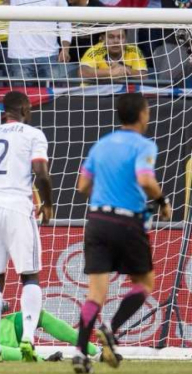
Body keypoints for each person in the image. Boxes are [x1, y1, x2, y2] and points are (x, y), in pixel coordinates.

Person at [72, 93, 172, 373]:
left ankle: (80, 353)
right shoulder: (143, 144)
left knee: (95, 295)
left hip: (97, 220)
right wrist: (162, 201)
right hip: (128, 223)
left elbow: (82, 186)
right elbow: (144, 178)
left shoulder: (100, 145)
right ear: (142, 114)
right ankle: (111, 329)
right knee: (144, 283)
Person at [0, 91, 54, 362]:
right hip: (17, 208)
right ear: (22, 107)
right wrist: (48, 203)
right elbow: (41, 173)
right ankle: (28, 338)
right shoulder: (33, 134)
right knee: (30, 276)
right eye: (29, 106)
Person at [7, 0, 72, 84]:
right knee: (21, 95)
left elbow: (65, 23)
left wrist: (65, 49)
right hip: (20, 55)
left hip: (49, 55)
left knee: (53, 94)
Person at [79, 29, 147, 80]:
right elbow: (82, 72)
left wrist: (124, 70)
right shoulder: (94, 51)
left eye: (120, 37)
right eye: (111, 37)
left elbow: (143, 76)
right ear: (103, 39)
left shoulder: (134, 51)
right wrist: (110, 72)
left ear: (126, 39)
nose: (116, 41)